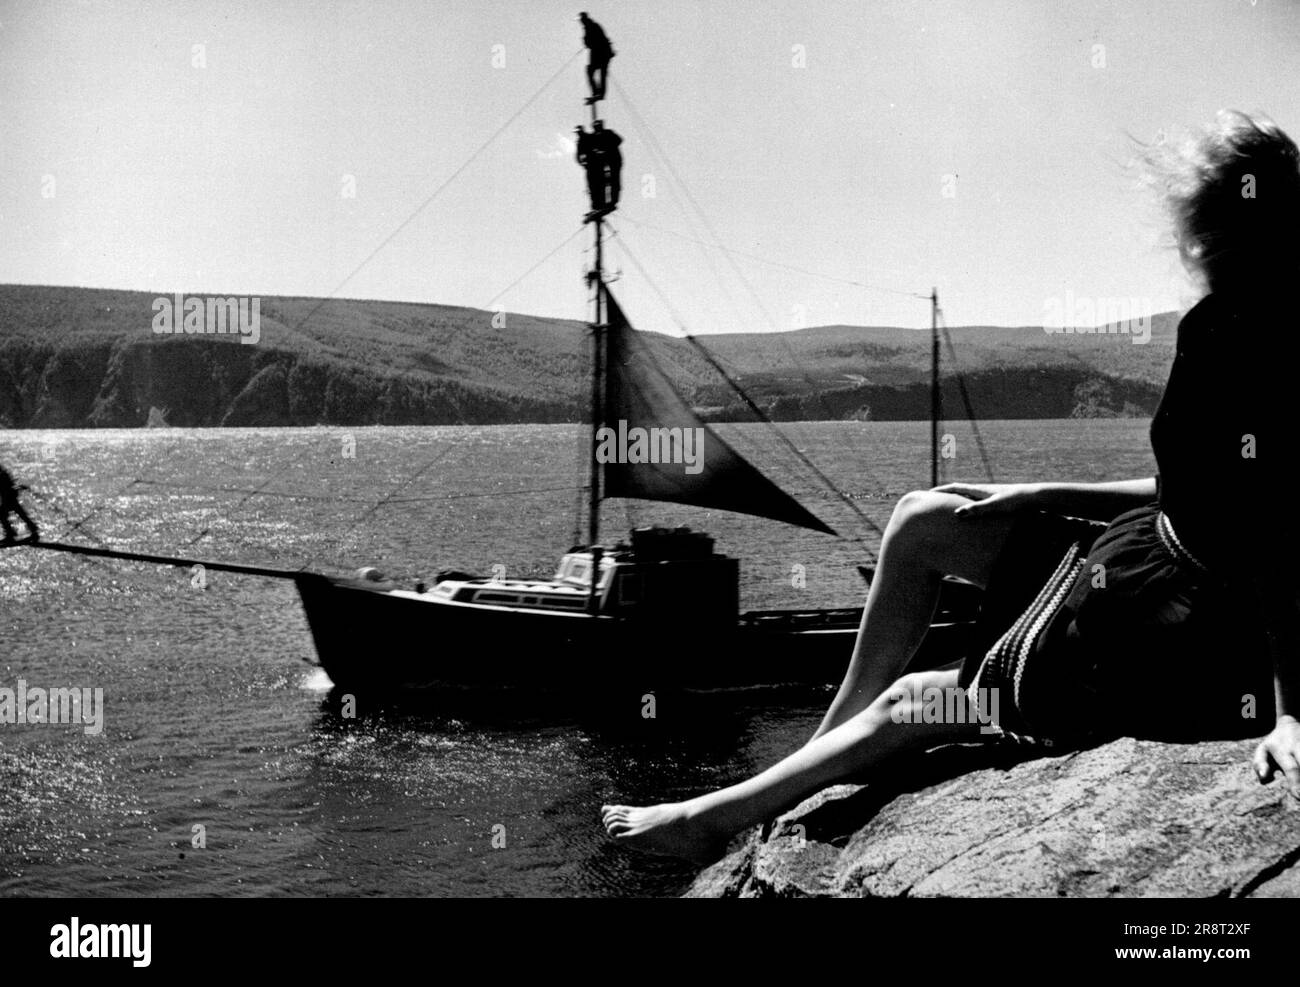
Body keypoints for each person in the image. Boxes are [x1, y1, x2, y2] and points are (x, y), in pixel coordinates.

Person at [602, 110, 1300, 863]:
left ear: (1216, 228)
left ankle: (716, 816)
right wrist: (1034, 492)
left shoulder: (1269, 342)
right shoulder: (1218, 323)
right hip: (1141, 566)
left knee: (920, 699)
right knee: (923, 516)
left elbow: (1285, 544)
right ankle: (824, 745)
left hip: (1192, 636)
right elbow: (1190, 489)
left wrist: (1291, 713)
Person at [579, 12, 614, 103]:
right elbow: (589, 43)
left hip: (602, 54)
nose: (581, 22)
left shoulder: (593, 26)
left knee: (600, 73)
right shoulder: (589, 27)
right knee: (592, 71)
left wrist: (587, 41)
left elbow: (596, 41)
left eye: (581, 20)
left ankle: (599, 93)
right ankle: (597, 93)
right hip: (599, 54)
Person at [0, 464, 40, 544]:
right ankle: (32, 528)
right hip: (9, 494)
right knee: (18, 512)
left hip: (8, 495)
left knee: (3, 514)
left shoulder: (1, 473)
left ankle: (10, 534)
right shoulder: (2, 472)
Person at [589, 120, 622, 212]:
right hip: (603, 162)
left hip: (614, 160)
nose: (597, 128)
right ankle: (601, 203)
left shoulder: (608, 133)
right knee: (602, 182)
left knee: (614, 181)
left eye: (598, 126)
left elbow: (619, 140)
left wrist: (607, 149)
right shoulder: (594, 136)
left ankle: (612, 202)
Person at [574, 125, 604, 213]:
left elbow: (598, 147)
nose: (578, 134)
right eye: (577, 132)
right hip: (589, 166)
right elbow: (578, 156)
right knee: (592, 186)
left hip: (596, 164)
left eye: (579, 132)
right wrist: (583, 163)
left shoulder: (589, 137)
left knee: (598, 184)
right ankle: (595, 207)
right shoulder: (579, 142)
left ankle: (600, 205)